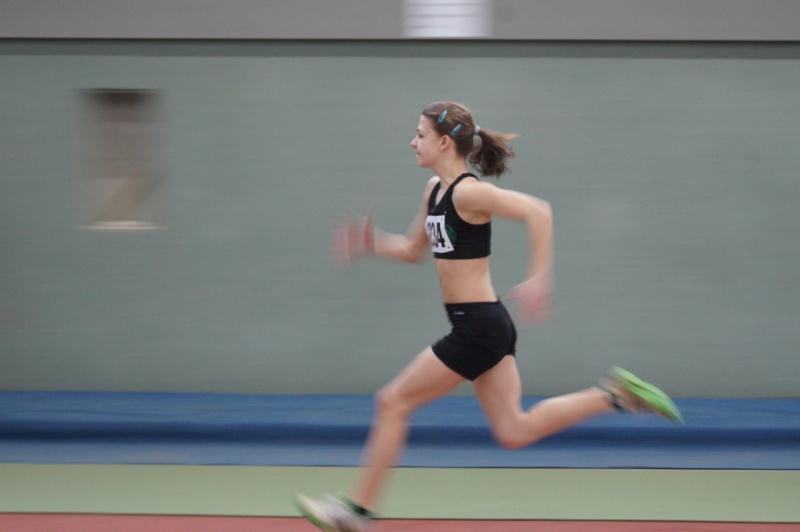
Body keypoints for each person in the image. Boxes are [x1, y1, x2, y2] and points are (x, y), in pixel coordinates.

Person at [296, 101, 682, 532]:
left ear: (444, 142)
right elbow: (412, 250)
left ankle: (356, 511)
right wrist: (372, 243)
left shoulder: (467, 192)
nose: (412, 141)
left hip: (477, 328)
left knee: (392, 401)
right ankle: (614, 395)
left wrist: (540, 277)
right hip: (484, 324)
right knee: (514, 430)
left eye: (419, 134)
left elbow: (539, 211)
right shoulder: (434, 191)